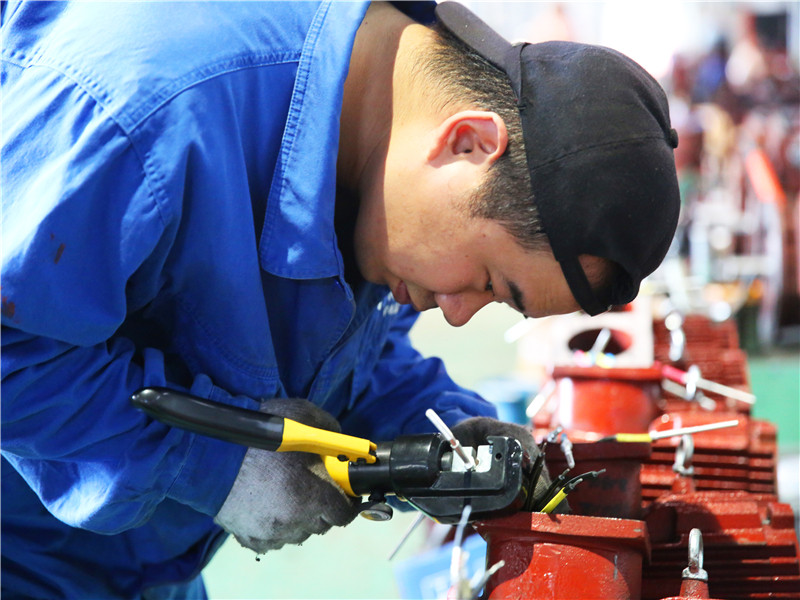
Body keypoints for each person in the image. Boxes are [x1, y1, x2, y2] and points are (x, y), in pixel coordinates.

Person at [1, 1, 680, 598]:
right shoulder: (143, 109)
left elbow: (325, 341)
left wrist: (435, 430)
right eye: (488, 281)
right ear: (469, 142)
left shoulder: (372, 127)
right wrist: (209, 462)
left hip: (133, 569)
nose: (457, 313)